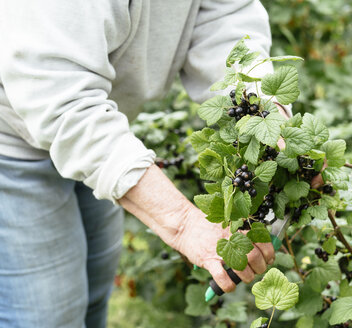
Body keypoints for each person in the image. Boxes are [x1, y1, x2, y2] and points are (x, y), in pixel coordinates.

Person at [0, 1, 278, 327]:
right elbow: (56, 93)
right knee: (48, 317)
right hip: (14, 135)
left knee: (91, 298)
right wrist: (184, 223)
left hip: (99, 123)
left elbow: (223, 15)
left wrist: (266, 119)